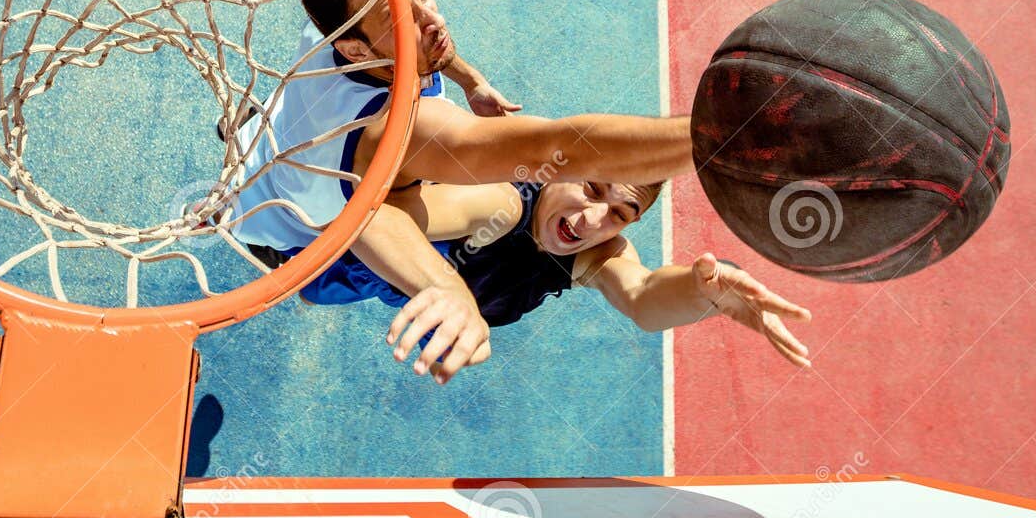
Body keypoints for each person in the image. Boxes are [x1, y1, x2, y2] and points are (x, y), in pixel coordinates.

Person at [231, 0, 699, 383]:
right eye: (401, 19)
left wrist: (467, 78)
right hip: (273, 219)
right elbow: (555, 146)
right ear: (355, 49)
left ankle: (251, 130)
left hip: (283, 133)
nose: (431, 19)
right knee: (324, 280)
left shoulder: (336, 21)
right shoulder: (398, 132)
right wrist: (714, 139)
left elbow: (642, 296)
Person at [298, 178, 813, 380]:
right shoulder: (499, 202)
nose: (591, 219)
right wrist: (454, 294)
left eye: (618, 213)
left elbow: (642, 298)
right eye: (592, 188)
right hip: (322, 242)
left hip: (368, 284)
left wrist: (709, 292)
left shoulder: (593, 251)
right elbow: (371, 216)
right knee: (279, 247)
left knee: (313, 292)